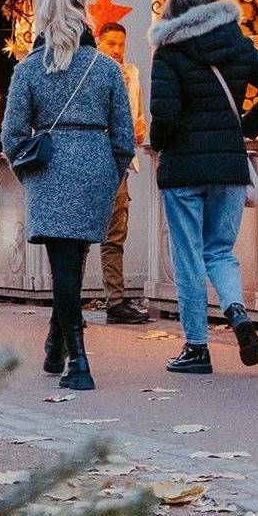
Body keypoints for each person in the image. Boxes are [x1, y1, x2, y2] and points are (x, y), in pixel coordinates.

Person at [148, 0, 258, 377]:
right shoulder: (237, 43)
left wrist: (160, 141)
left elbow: (166, 115)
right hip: (229, 165)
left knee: (188, 255)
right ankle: (237, 311)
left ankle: (197, 347)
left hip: (184, 170)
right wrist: (244, 127)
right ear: (211, 0)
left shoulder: (169, 51)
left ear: (174, 4)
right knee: (220, 250)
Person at [4, 0, 133, 391]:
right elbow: (124, 139)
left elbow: (11, 135)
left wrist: (29, 177)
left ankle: (78, 360)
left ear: (44, 18)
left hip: (49, 170)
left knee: (64, 264)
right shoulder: (107, 68)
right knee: (73, 260)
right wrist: (110, 177)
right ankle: (55, 344)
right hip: (95, 167)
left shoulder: (28, 69)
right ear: (85, 17)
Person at [94, 22, 151, 325]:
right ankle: (66, 301)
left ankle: (115, 300)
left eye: (121, 44)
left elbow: (138, 118)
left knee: (115, 234)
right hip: (91, 163)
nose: (117, 50)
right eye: (111, 43)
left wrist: (138, 132)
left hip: (120, 164)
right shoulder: (89, 73)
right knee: (78, 233)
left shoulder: (132, 75)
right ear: (98, 43)